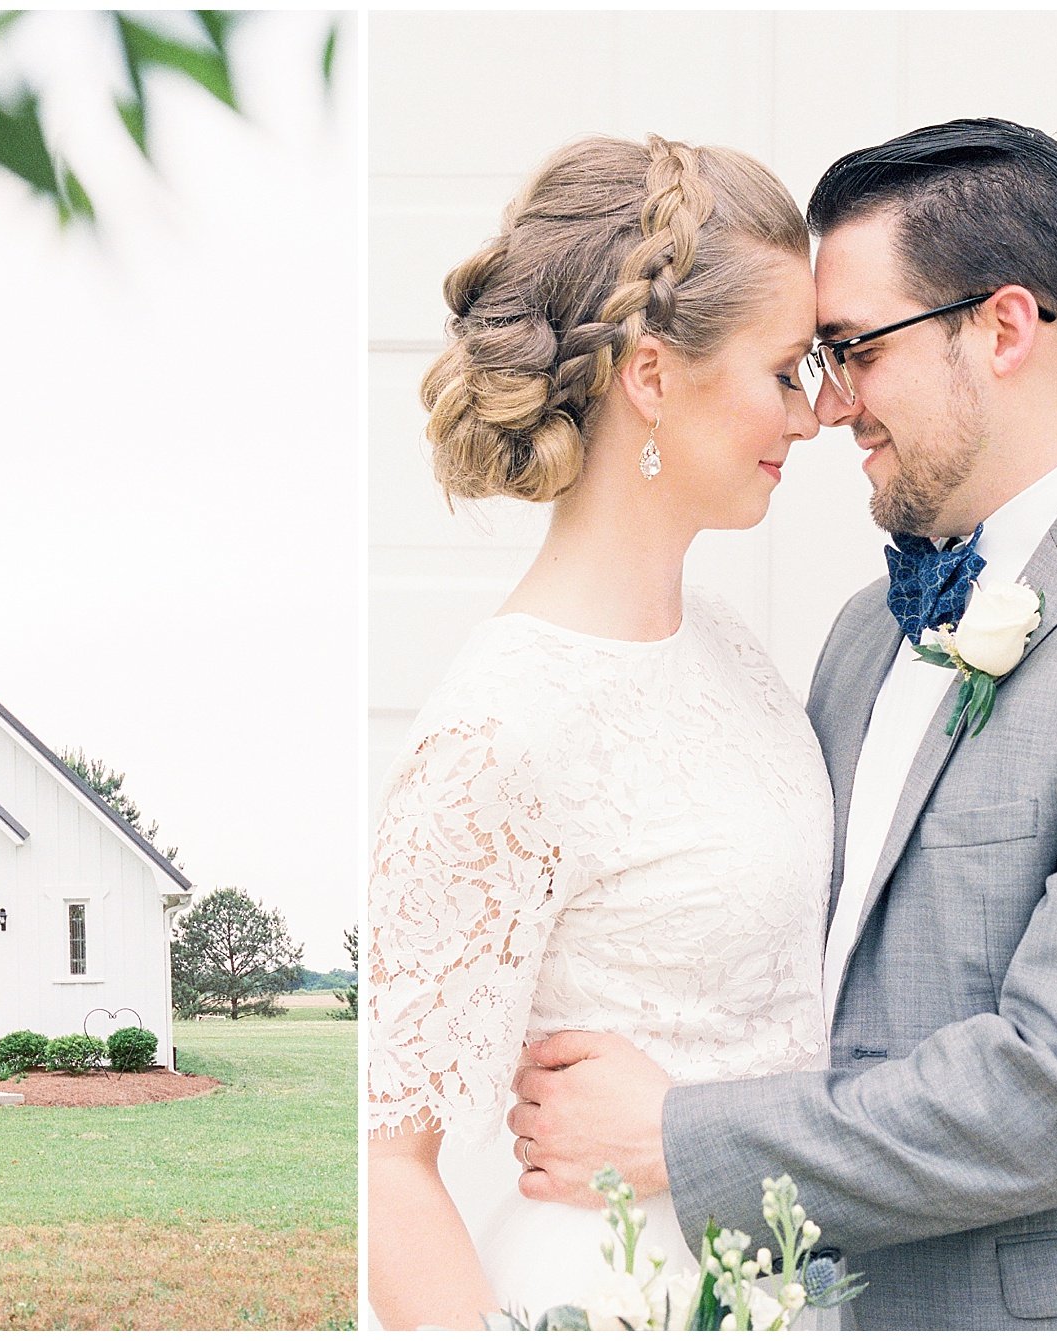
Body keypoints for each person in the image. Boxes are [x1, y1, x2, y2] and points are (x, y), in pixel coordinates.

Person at [507, 119, 1057, 1329]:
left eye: (853, 348)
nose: (829, 405)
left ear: (1003, 328)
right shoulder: (866, 631)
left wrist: (675, 1136)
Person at [367, 133, 830, 1328]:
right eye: (786, 371)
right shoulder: (498, 733)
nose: (816, 413)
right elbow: (386, 1168)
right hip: (622, 1294)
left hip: (785, 1276)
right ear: (654, 376)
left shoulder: (728, 643)